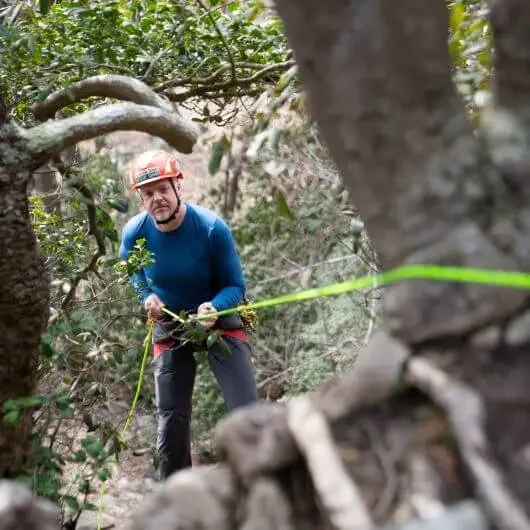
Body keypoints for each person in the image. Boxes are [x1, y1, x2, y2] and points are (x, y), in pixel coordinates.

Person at [119, 149, 258, 480]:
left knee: (246, 411)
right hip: (169, 321)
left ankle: (256, 481)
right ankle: (175, 492)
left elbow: (235, 286)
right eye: (148, 194)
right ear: (141, 199)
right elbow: (131, 271)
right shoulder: (135, 232)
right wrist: (146, 296)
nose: (157, 199)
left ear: (177, 187)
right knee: (170, 418)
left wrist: (215, 308)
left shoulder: (211, 228)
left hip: (218, 316)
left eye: (162, 189)